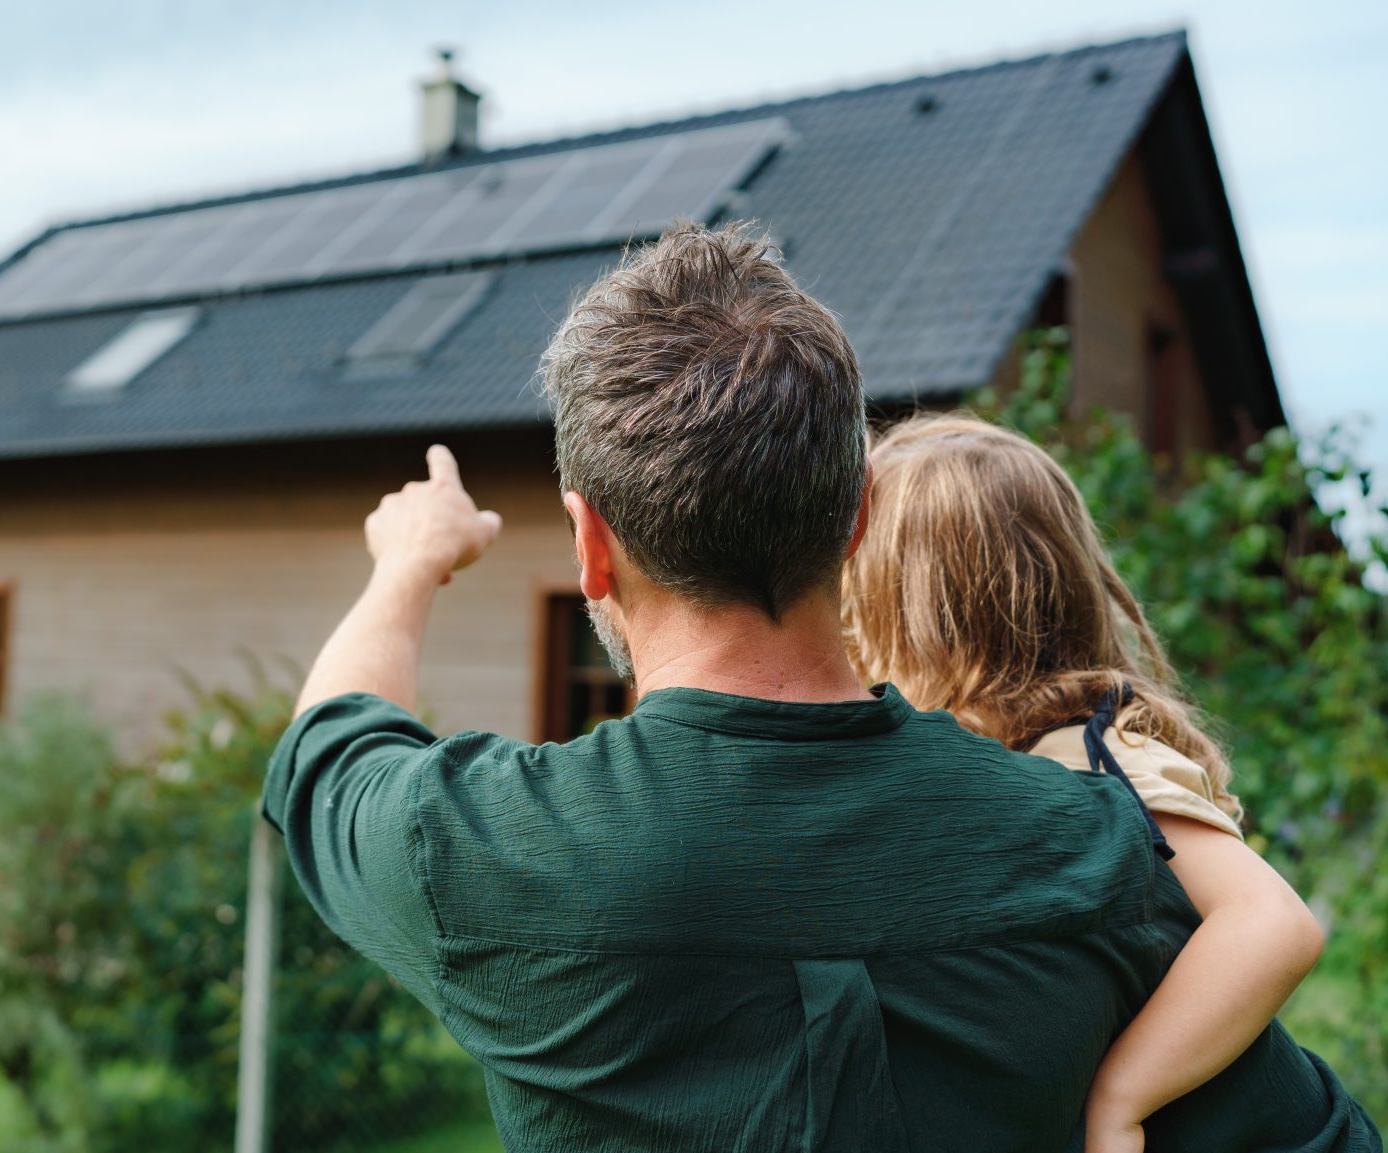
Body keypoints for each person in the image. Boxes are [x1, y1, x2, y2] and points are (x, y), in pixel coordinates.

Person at [262, 221, 1379, 1151]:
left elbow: (329, 745)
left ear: (589, 550)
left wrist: (408, 564)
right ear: (851, 521)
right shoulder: (1086, 848)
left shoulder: (480, 850)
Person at [840, 413, 1349, 1152]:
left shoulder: (1096, 756)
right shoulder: (1012, 760)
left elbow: (1273, 923)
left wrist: (1121, 1096)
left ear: (912, 616)